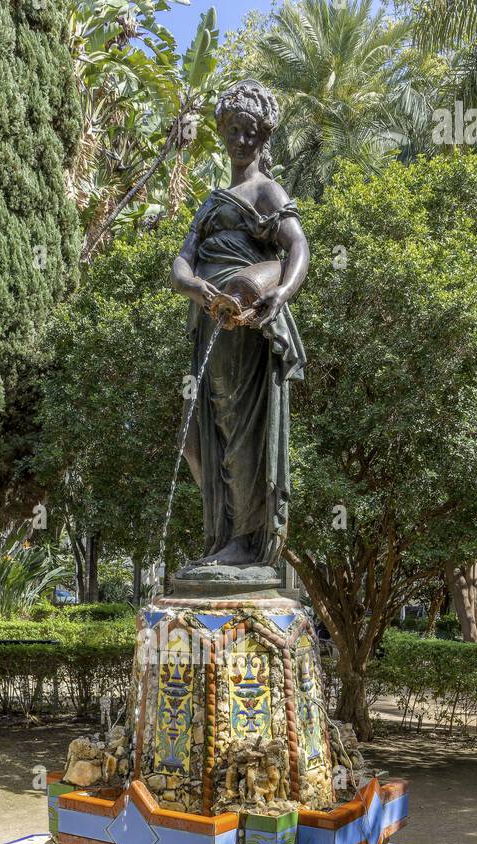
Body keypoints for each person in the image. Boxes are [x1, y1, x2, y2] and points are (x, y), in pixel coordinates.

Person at [171, 80, 308, 574]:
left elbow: (298, 247)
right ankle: (222, 536)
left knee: (237, 427)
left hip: (243, 323)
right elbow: (180, 265)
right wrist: (194, 289)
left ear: (263, 136)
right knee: (198, 436)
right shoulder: (210, 203)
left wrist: (282, 292)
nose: (240, 140)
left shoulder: (266, 191)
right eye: (232, 130)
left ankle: (245, 541)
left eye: (250, 132)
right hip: (208, 322)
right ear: (222, 133)